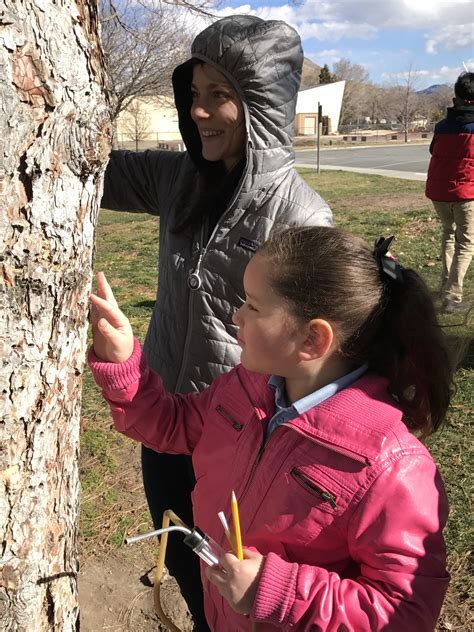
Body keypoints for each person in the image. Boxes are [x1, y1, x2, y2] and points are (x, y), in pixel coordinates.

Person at [88, 226, 452, 631]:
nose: (236, 315)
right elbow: (172, 424)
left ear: (312, 339)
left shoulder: (388, 467)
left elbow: (405, 612)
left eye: (253, 306)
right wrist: (122, 362)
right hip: (221, 614)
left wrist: (272, 590)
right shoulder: (246, 388)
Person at [100, 15, 332, 628]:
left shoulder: (301, 217)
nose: (200, 113)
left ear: (260, 107)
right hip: (162, 417)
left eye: (219, 96)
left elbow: (315, 361)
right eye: (194, 95)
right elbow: (94, 168)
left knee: (229, 584)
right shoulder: (181, 177)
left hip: (236, 440)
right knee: (180, 556)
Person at [426, 71, 474, 313]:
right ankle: (453, 297)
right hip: (466, 193)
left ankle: (446, 284)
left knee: (448, 233)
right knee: (465, 242)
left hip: (439, 191)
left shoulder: (442, 126)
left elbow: (433, 151)